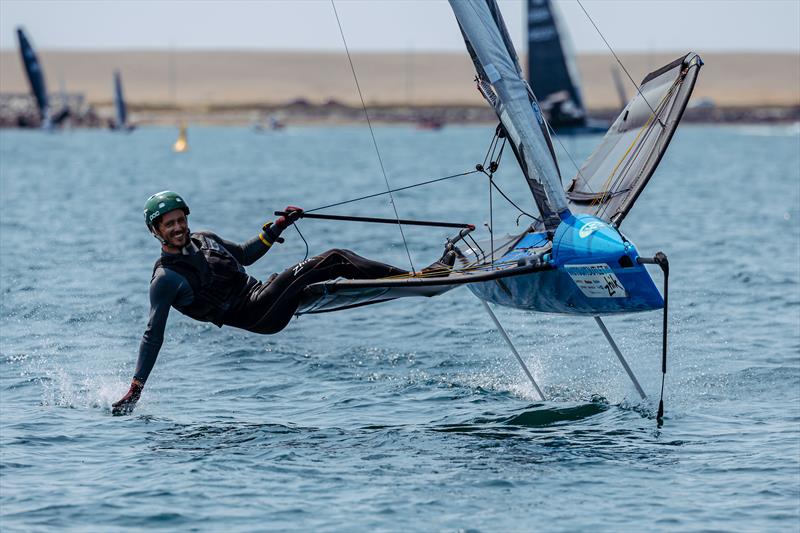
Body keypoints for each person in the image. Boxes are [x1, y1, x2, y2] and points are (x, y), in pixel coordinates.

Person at [112, 191, 455, 415]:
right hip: (259, 315)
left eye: (180, 219)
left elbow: (245, 254)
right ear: (156, 231)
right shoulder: (165, 280)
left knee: (326, 266)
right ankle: (422, 277)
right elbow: (152, 335)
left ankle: (415, 276)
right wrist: (136, 387)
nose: (178, 227)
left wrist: (277, 227)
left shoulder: (206, 239)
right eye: (169, 224)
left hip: (265, 291)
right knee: (333, 258)